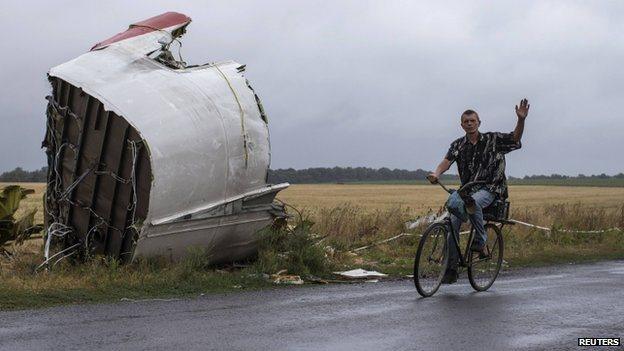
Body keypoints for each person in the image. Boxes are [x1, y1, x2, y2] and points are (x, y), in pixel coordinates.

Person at [427, 99, 530, 284]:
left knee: (472, 202)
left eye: (472, 121)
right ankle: (450, 269)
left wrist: (521, 120)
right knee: (452, 223)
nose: (469, 124)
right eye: (466, 121)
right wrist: (436, 173)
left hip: (491, 188)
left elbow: (515, 138)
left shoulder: (493, 140)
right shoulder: (457, 145)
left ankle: (481, 241)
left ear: (479, 123)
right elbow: (446, 161)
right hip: (467, 189)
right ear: (461, 125)